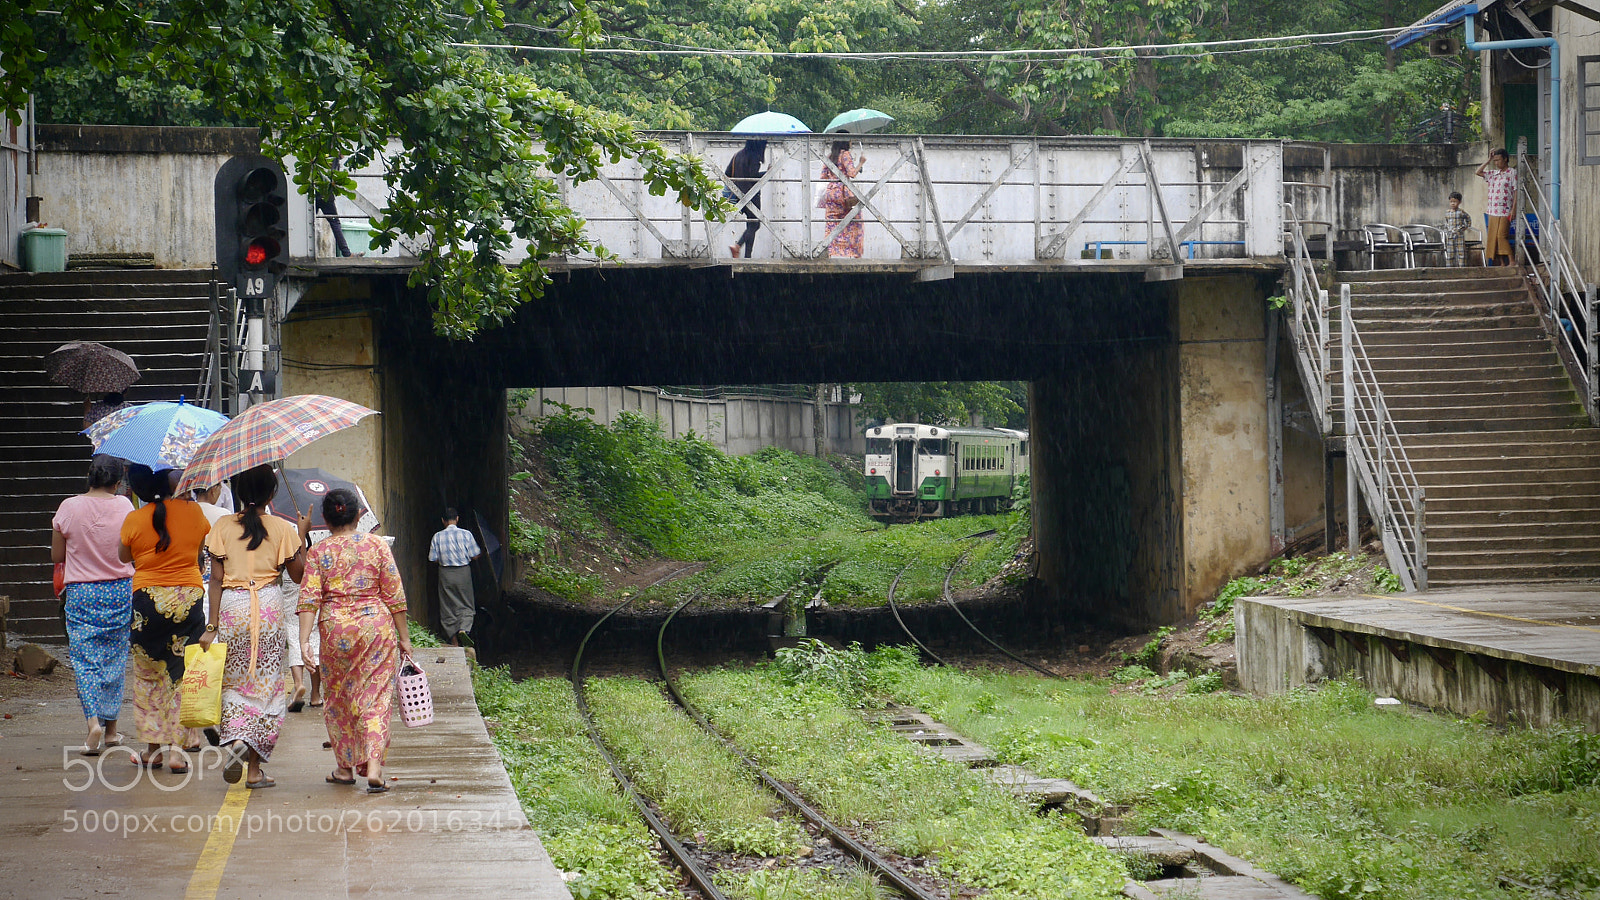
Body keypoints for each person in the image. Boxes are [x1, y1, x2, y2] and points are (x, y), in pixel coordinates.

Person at [199, 465, 309, 789]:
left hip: (233, 608)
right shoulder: (283, 528)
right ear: (272, 493)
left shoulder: (221, 526)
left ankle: (234, 739)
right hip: (269, 607)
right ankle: (256, 770)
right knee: (267, 686)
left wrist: (211, 626)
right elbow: (299, 576)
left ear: (237, 491)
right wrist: (300, 536)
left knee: (233, 682)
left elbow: (216, 579)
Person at [298, 489, 410, 793]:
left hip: (335, 630)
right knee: (376, 698)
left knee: (338, 699)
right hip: (375, 627)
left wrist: (304, 640)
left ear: (325, 519)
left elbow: (309, 599)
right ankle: (374, 768)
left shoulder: (318, 552)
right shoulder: (377, 546)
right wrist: (405, 639)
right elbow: (394, 594)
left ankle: (344, 768)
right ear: (359, 514)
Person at [119, 466, 211, 772]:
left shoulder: (134, 518)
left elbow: (123, 557)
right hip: (189, 597)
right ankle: (178, 753)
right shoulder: (193, 511)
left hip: (147, 601)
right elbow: (199, 553)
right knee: (183, 674)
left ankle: (153, 751)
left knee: (149, 674)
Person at [51, 455, 136, 755]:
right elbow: (130, 550)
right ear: (117, 482)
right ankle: (112, 731)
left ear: (89, 477)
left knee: (86, 662)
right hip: (120, 590)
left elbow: (57, 556)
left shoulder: (68, 507)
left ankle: (93, 725)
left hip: (82, 593)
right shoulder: (126, 506)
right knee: (114, 659)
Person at [428, 507, 481, 646]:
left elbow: (432, 558)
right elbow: (475, 555)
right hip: (463, 573)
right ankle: (463, 628)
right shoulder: (466, 534)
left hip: (445, 574)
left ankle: (454, 641)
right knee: (466, 603)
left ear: (443, 521)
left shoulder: (437, 536)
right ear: (457, 519)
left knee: (447, 606)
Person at [819, 140, 865, 258]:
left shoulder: (830, 157)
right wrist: (861, 163)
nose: (851, 142)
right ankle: (852, 252)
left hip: (830, 193)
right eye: (849, 140)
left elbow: (823, 176)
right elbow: (852, 173)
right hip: (843, 193)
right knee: (854, 221)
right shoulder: (845, 154)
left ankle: (829, 251)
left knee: (831, 223)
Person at [725, 139, 767, 259]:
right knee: (755, 225)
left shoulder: (737, 155)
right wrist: (767, 173)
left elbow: (727, 173)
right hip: (752, 195)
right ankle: (738, 246)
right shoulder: (753, 157)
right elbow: (753, 175)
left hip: (739, 195)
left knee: (751, 224)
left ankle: (747, 255)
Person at [1476, 148, 1517, 267]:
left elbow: (1516, 191)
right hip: (1492, 210)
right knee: (1493, 237)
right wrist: (1488, 160)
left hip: (1505, 210)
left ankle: (1512, 260)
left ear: (1505, 159)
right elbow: (1478, 172)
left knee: (1501, 235)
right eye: (1495, 160)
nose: (1496, 163)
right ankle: (1502, 262)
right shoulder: (1493, 173)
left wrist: (1514, 209)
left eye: (1498, 160)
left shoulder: (1512, 172)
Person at [1442, 191, 1471, 268]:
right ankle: (1449, 269)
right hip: (1450, 235)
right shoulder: (1447, 213)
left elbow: (1468, 219)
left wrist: (1465, 227)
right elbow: (1446, 222)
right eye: (1451, 202)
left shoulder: (1461, 212)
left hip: (1459, 234)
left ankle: (1462, 269)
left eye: (1455, 202)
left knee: (1461, 252)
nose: (1452, 204)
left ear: (1459, 202)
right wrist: (1446, 230)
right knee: (1450, 252)